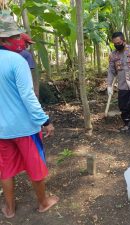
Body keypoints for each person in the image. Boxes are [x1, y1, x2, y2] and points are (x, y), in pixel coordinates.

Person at [0, 14, 59, 218]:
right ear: (3, 39)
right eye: (13, 36)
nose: (18, 39)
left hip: (2, 130)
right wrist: (45, 120)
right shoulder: (17, 61)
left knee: (6, 169)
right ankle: (43, 203)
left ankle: (9, 209)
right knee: (35, 165)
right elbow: (27, 95)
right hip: (25, 127)